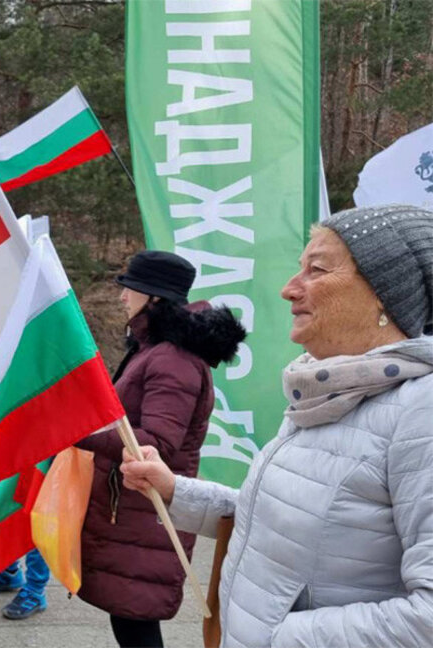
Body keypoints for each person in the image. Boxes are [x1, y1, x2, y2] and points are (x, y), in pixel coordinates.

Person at [121, 205, 433, 648]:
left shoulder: (421, 411)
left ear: (385, 292)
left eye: (317, 270)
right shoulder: (326, 389)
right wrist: (172, 489)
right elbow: (276, 516)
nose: (289, 289)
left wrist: (274, 637)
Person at [72, 250, 245, 647]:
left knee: (136, 621)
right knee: (130, 617)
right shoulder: (153, 347)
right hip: (133, 508)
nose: (120, 297)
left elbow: (159, 443)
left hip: (147, 511)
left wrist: (78, 431)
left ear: (153, 297)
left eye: (128, 287)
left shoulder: (172, 357)